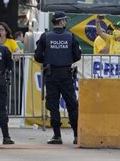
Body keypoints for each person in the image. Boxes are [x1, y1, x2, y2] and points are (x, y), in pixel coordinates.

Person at [34, 12, 81, 145]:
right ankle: (77, 135)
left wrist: (49, 60)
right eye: (65, 21)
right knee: (72, 105)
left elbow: (37, 56)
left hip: (51, 74)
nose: (66, 23)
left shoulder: (45, 36)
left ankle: (57, 135)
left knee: (53, 106)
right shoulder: (70, 36)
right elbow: (77, 55)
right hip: (66, 74)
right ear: (61, 22)